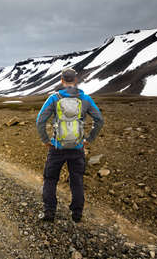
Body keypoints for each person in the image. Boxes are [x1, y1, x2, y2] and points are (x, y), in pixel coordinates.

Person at [36, 67, 104, 223]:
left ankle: (49, 212)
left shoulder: (54, 98)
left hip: (57, 147)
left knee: (51, 179)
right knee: (77, 180)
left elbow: (40, 120)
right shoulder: (85, 99)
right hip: (78, 148)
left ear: (62, 80)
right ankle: (77, 214)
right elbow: (99, 120)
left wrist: (46, 140)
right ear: (76, 80)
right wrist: (89, 139)